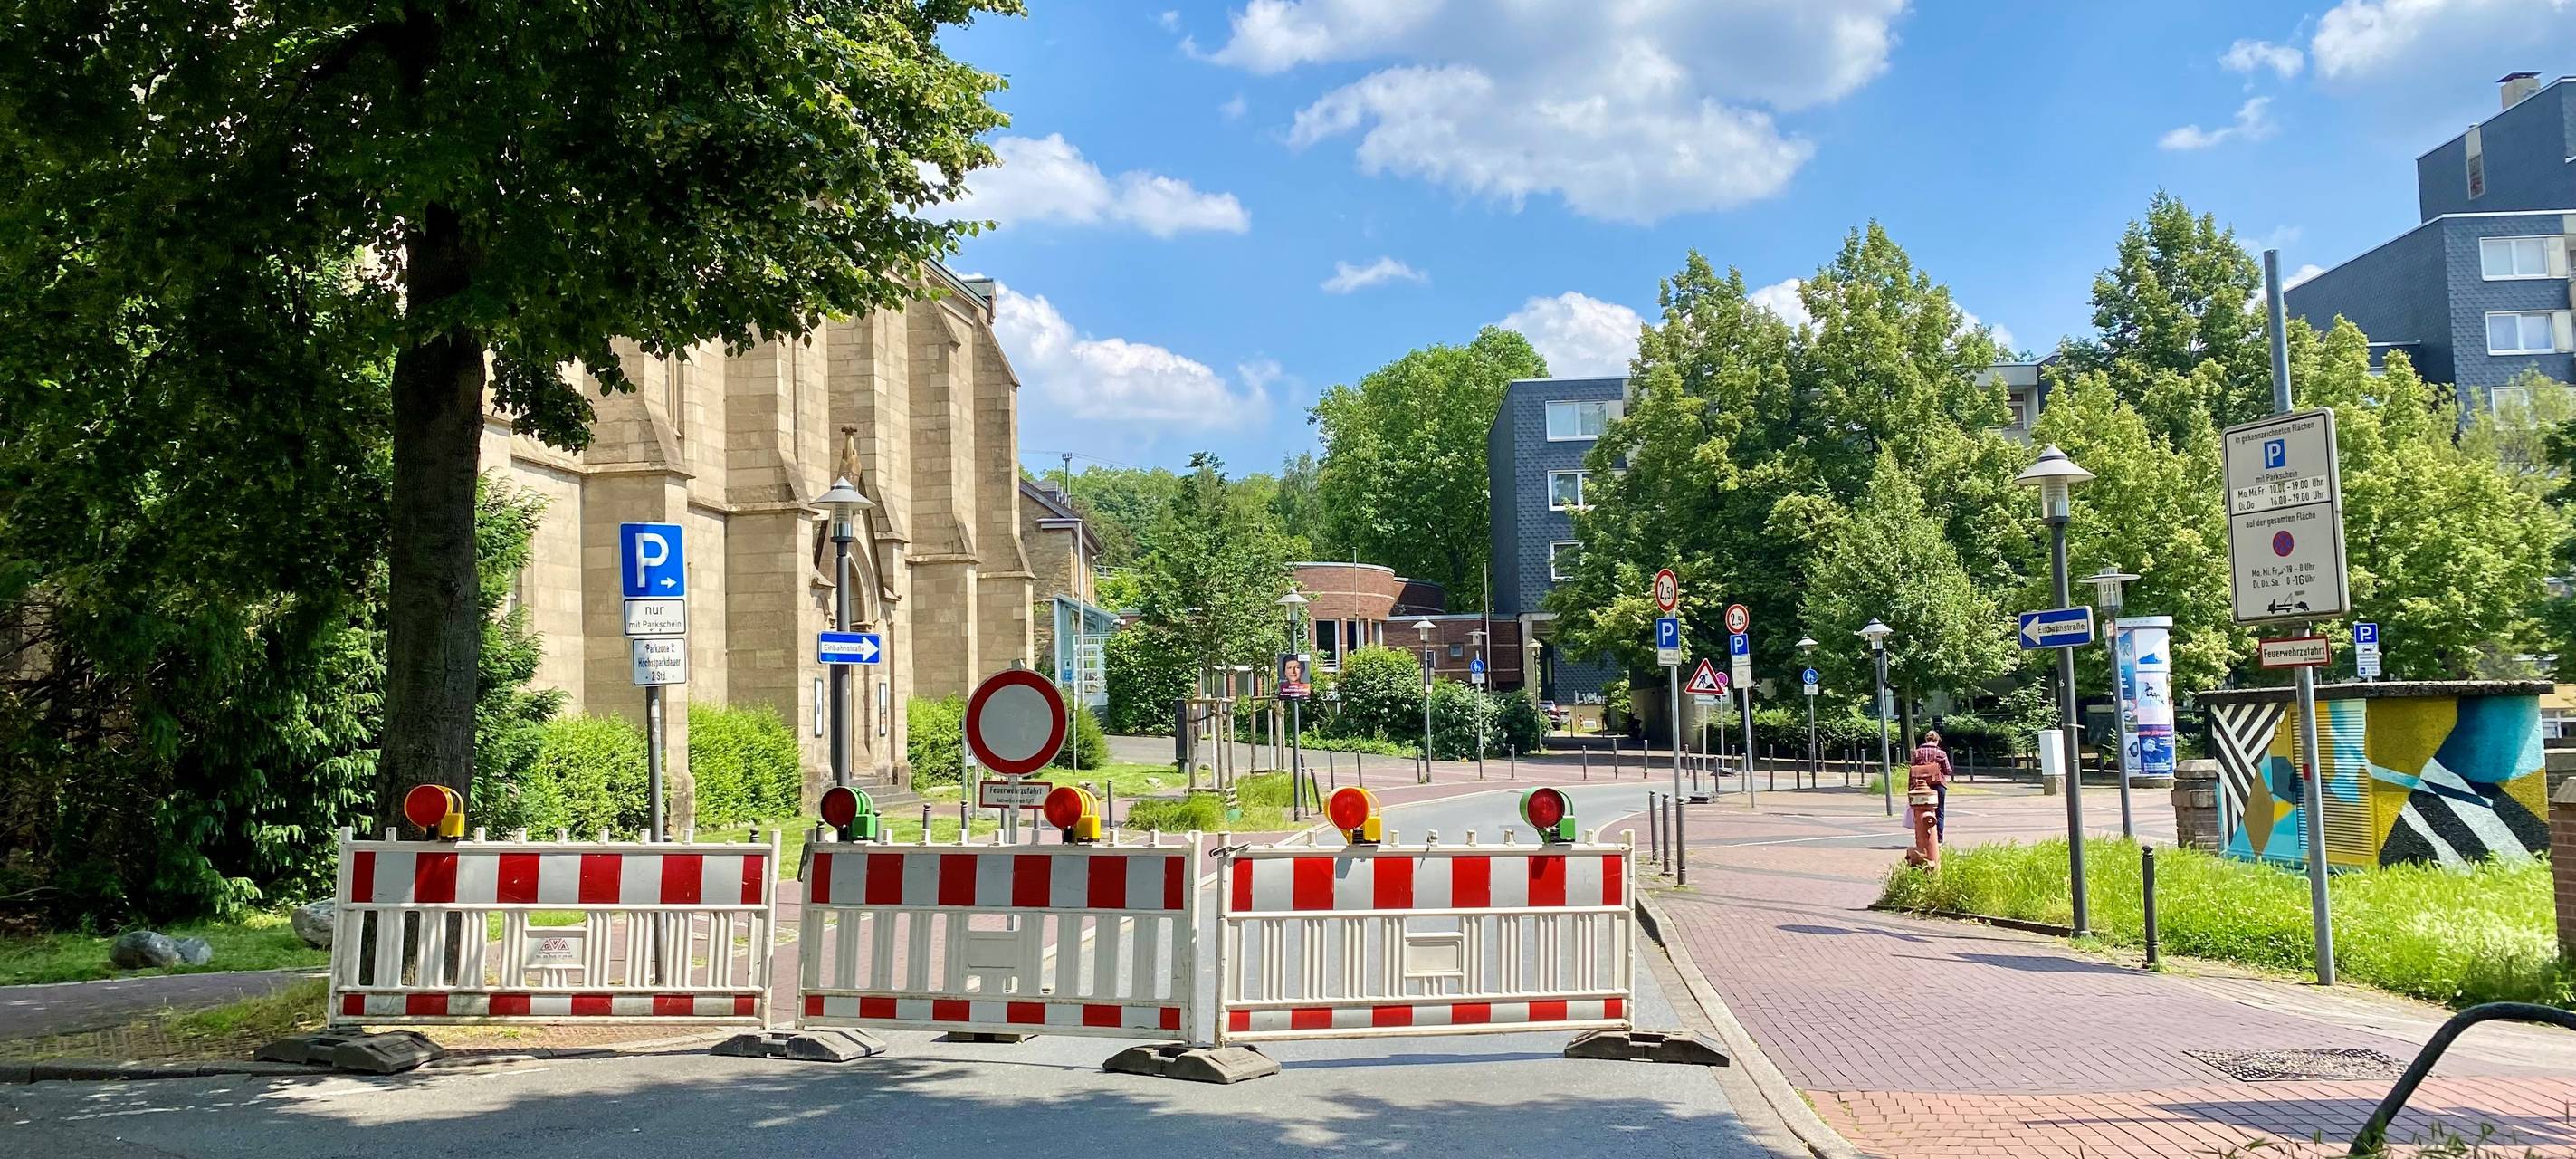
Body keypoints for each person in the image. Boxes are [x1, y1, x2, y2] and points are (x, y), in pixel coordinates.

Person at [1908, 729, 1955, 839]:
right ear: (1937, 740)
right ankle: (1938, 839)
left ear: (1926, 739)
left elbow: (1913, 769)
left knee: (1920, 811)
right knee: (1940, 812)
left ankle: (1922, 837)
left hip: (1921, 786)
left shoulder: (1917, 752)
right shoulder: (1941, 753)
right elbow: (1948, 770)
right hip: (1938, 784)